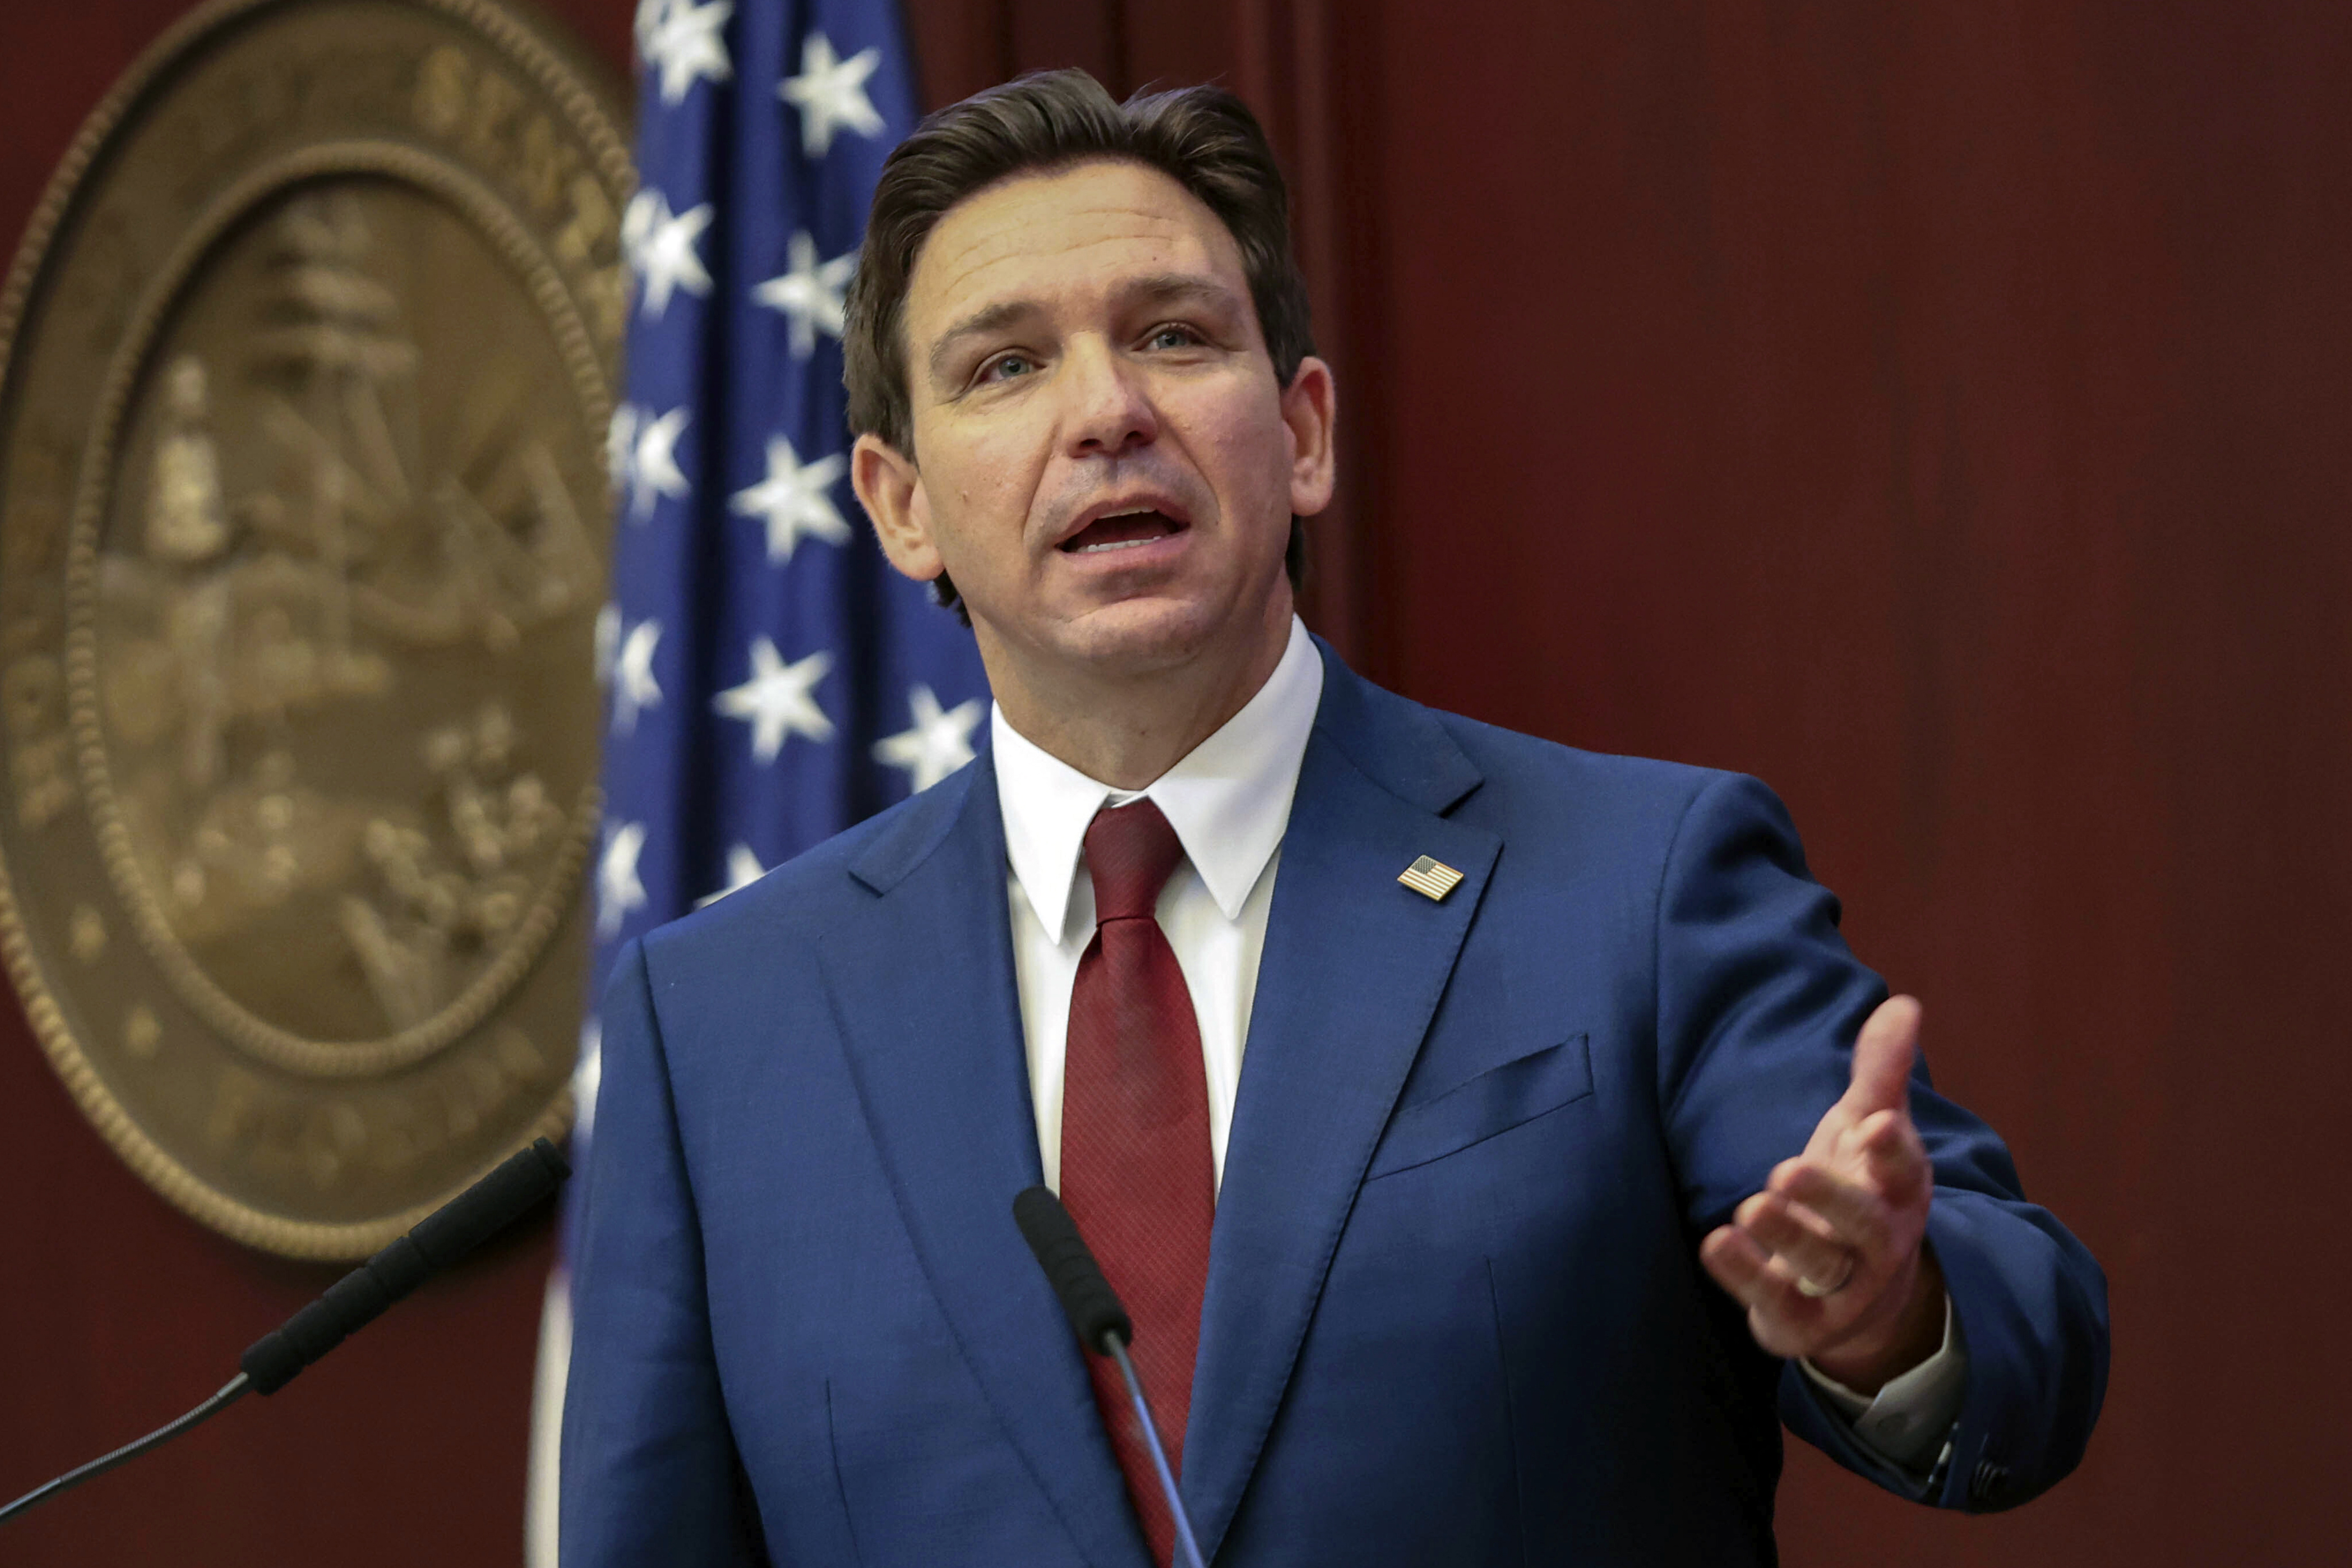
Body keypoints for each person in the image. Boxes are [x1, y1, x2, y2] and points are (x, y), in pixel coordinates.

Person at [560, 69, 2107, 1567]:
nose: (1106, 410)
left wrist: (1891, 1312)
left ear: (1300, 433)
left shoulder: (1635, 888)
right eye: (1006, 365)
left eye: (1172, 335)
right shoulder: (717, 1029)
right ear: (900, 504)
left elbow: (2021, 1322)